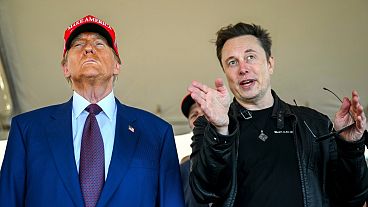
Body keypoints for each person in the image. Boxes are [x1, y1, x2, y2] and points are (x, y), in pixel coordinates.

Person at [0, 15, 184, 207]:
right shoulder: (27, 130)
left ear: (116, 66)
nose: (88, 48)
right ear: (65, 68)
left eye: (99, 44)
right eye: (78, 45)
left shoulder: (156, 133)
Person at [188, 22, 368, 207]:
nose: (243, 68)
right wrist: (220, 130)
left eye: (250, 57)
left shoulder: (315, 123)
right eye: (232, 62)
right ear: (225, 72)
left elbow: (352, 197)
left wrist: (350, 145)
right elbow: (204, 192)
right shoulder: (210, 127)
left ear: (270, 64)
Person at [179, 94, 208, 207]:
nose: (200, 117)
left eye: (206, 111)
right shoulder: (183, 169)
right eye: (194, 115)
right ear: (190, 124)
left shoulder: (237, 154)